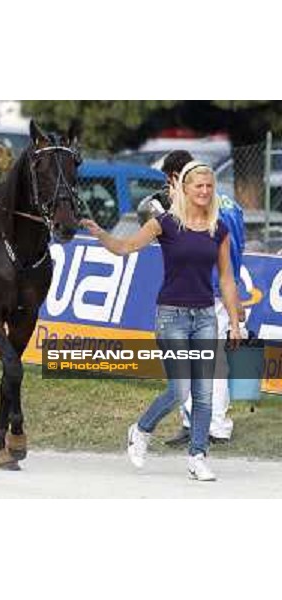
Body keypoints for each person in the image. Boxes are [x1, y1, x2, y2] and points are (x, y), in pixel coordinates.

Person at [82, 160, 242, 481]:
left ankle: (197, 456)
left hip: (206, 318)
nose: (205, 191)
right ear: (184, 188)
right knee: (180, 389)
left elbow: (226, 279)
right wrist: (101, 233)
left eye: (209, 186)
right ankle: (140, 429)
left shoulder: (218, 229)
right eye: (198, 185)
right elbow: (126, 246)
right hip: (172, 317)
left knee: (204, 391)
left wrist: (235, 322)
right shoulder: (165, 223)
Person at [138, 151, 246, 445]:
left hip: (200, 290)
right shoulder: (232, 205)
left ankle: (207, 426)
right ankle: (206, 424)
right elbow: (239, 246)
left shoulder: (190, 208)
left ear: (176, 177)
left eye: (168, 179)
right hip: (224, 288)